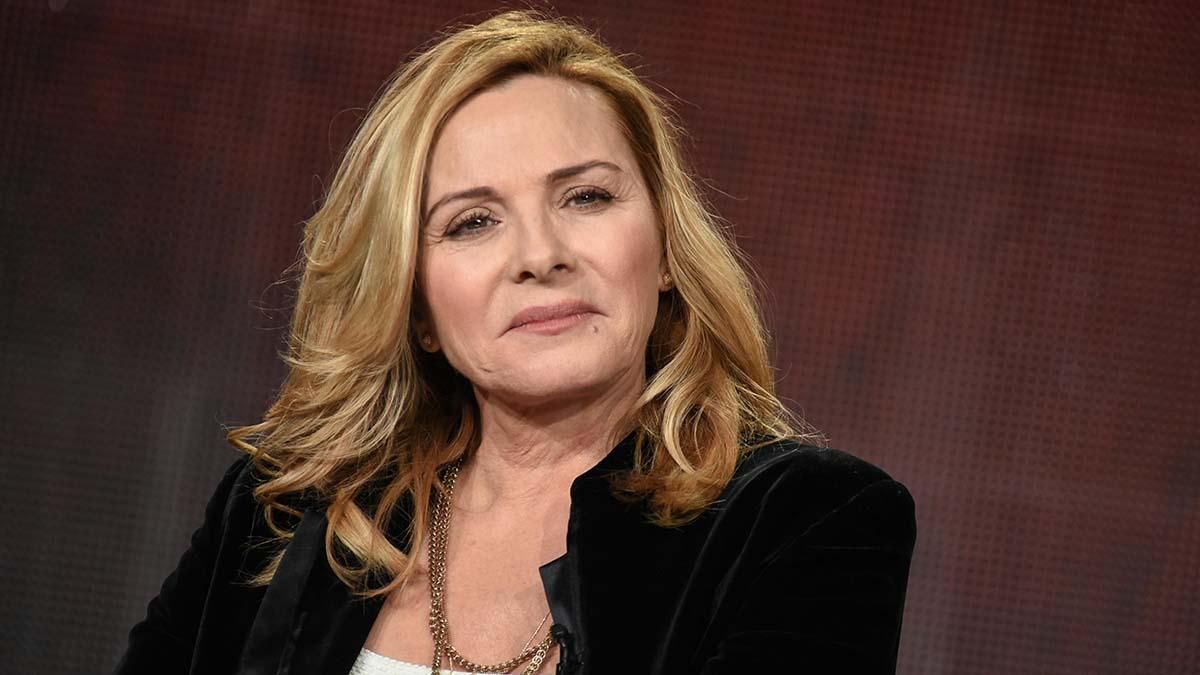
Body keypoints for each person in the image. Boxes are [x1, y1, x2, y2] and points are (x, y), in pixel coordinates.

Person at [114, 9, 915, 675]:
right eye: (473, 221)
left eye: (586, 196)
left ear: (667, 248)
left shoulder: (804, 520)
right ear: (415, 304)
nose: (540, 255)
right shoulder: (281, 513)